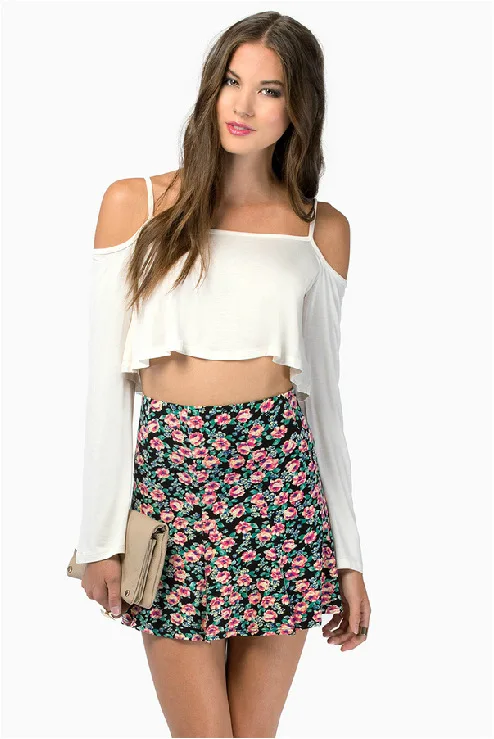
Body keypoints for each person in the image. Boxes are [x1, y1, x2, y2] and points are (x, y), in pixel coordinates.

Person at [75, 10, 371, 738]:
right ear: (212, 87)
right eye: (233, 82)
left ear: (299, 108)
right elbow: (106, 387)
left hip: (281, 491)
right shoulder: (136, 205)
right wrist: (98, 536)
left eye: (270, 91)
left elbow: (324, 403)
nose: (243, 105)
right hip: (172, 489)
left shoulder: (320, 230)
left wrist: (349, 556)